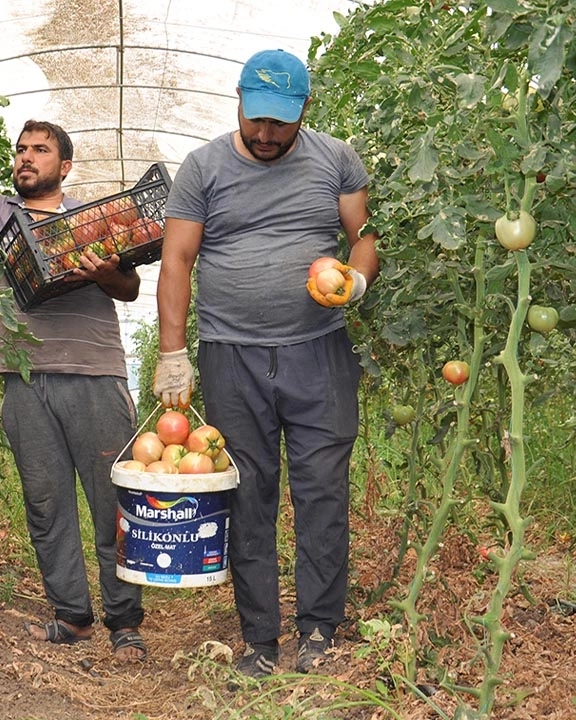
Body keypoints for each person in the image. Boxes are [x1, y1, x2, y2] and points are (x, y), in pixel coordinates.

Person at [152, 50, 379, 679]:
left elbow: (363, 236)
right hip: (232, 355)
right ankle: (260, 641)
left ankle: (319, 630)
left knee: (322, 491)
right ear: (239, 102)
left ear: (305, 109)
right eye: (257, 120)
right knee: (246, 495)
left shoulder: (337, 159)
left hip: (319, 351)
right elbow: (177, 262)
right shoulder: (202, 168)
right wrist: (174, 355)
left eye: (281, 122)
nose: (267, 134)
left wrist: (355, 283)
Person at [0, 119, 148, 662]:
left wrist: (104, 271)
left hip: (93, 371)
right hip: (23, 376)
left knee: (112, 499)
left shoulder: (92, 221)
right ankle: (72, 615)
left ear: (64, 167)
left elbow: (129, 288)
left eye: (40, 151)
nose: (26, 158)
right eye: (20, 150)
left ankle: (125, 621)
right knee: (46, 502)